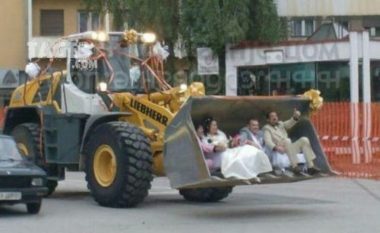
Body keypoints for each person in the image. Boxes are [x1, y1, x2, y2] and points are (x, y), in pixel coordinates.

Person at [202, 117, 272, 180]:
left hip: (227, 150)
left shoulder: (220, 133)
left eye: (216, 125)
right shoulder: (205, 137)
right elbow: (207, 148)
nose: (215, 127)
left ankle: (259, 170)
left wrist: (231, 143)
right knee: (235, 158)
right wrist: (217, 147)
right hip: (217, 155)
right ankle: (244, 173)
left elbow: (227, 142)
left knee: (246, 148)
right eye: (213, 125)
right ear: (208, 127)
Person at [263, 109, 321, 176]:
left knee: (304, 140)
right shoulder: (266, 128)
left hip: (289, 147)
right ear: (268, 119)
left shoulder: (281, 124)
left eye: (275, 116)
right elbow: (268, 141)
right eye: (272, 116)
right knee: (287, 140)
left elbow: (289, 123)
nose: (274, 118)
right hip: (281, 149)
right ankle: (295, 167)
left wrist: (295, 116)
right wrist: (276, 148)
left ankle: (310, 167)